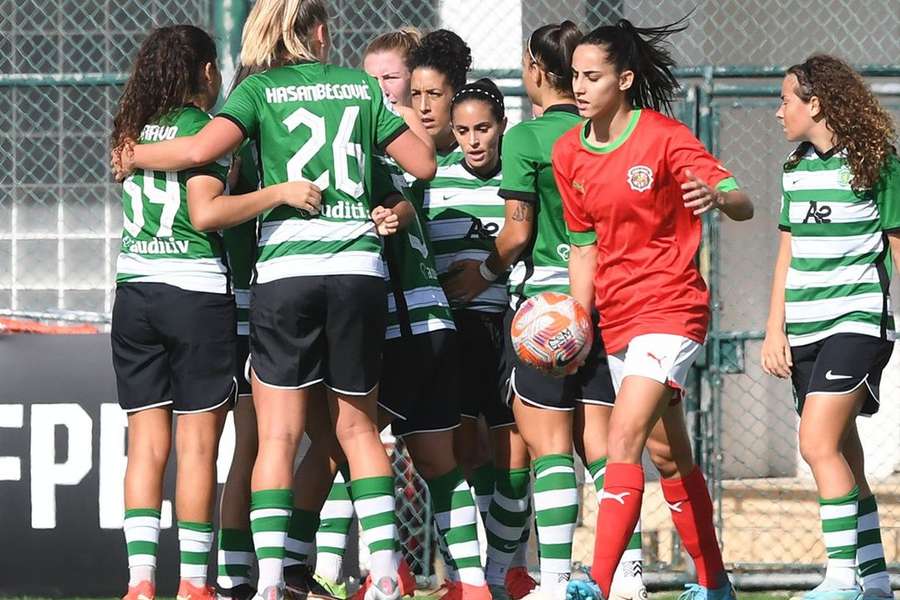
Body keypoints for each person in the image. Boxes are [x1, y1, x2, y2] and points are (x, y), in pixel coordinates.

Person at [112, 2, 436, 599]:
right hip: (356, 268)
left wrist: (132, 153)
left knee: (275, 436)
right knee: (358, 430)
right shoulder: (362, 87)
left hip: (279, 271)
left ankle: (258, 584)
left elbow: (196, 151)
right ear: (318, 32)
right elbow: (424, 161)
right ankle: (387, 573)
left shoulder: (256, 91)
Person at [110, 25, 311, 600]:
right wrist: (277, 193)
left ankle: (140, 582)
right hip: (195, 292)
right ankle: (196, 584)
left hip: (134, 290)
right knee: (199, 446)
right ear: (204, 72)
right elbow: (207, 212)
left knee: (145, 444)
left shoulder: (132, 132)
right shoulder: (205, 129)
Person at [554, 19, 753, 600]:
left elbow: (743, 201)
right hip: (617, 317)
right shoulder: (570, 151)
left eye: (593, 76)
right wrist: (577, 322)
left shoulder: (664, 137)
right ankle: (716, 584)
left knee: (624, 438)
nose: (581, 86)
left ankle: (597, 580)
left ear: (625, 78)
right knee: (669, 457)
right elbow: (584, 247)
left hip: (671, 307)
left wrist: (716, 197)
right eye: (575, 76)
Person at [762, 55, 898, 600]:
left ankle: (840, 582)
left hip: (857, 322)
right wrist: (775, 329)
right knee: (843, 453)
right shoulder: (795, 169)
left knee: (815, 443)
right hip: (804, 328)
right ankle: (876, 581)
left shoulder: (879, 164)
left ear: (814, 103)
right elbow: (786, 253)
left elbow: (895, 246)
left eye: (785, 100)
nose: (778, 112)